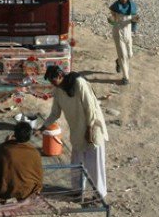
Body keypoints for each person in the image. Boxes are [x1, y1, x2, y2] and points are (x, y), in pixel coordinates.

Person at [40, 66, 108, 199]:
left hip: (92, 128)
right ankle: (77, 190)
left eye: (53, 80)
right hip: (77, 130)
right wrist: (42, 128)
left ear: (60, 75)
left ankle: (99, 195)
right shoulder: (59, 90)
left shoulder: (79, 83)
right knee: (77, 163)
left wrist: (89, 130)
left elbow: (91, 108)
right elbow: (55, 113)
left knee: (95, 165)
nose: (52, 83)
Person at [0, 121, 43, 204]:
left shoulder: (4, 149)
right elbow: (38, 174)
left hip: (5, 191)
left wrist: (5, 143)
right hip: (27, 190)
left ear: (14, 134)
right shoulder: (35, 152)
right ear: (29, 136)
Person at [108, 0, 138, 85]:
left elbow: (134, 19)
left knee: (130, 54)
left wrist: (135, 27)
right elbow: (112, 19)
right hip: (118, 33)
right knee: (123, 56)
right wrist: (111, 20)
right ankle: (126, 78)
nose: (124, 0)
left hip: (128, 33)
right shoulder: (115, 7)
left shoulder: (132, 6)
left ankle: (118, 61)